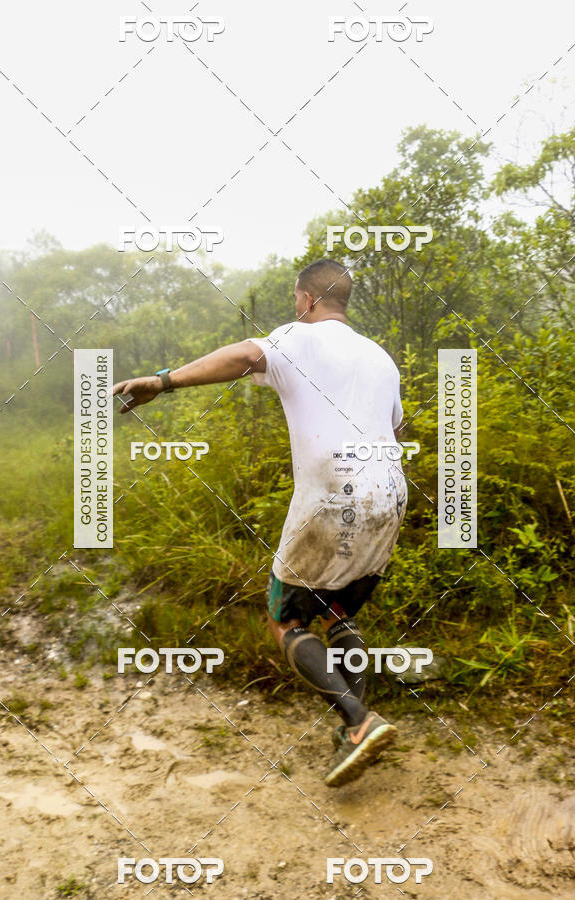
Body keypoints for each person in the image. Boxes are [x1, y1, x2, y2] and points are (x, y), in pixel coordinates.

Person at [112, 258, 407, 787]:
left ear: (306, 299)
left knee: (285, 619)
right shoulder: (380, 357)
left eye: (296, 299)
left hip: (332, 492)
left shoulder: (298, 336)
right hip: (390, 494)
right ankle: (352, 731)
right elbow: (395, 428)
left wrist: (163, 381)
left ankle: (360, 723)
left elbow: (246, 355)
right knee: (338, 610)